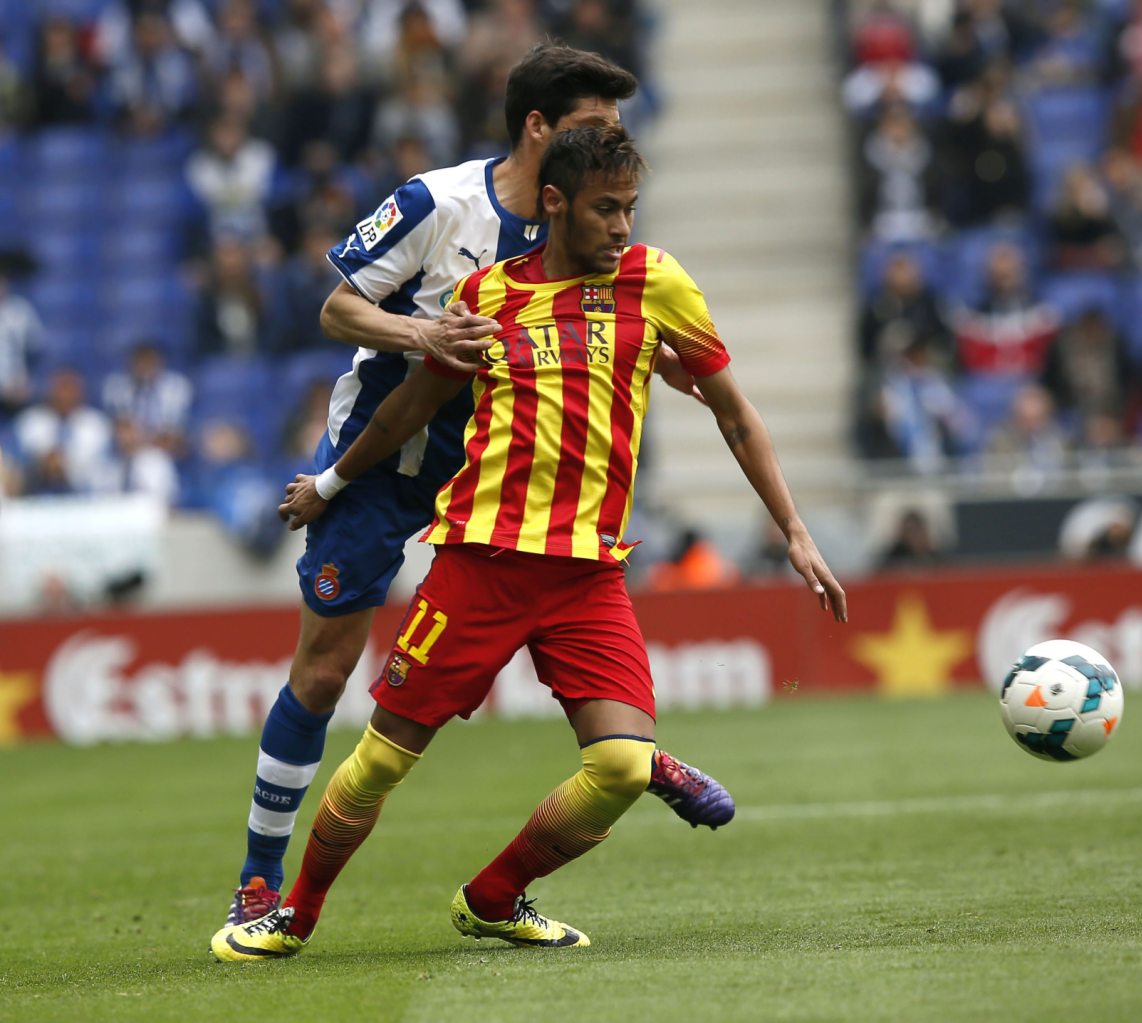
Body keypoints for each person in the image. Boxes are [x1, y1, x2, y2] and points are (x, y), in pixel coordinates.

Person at [210, 123, 848, 959]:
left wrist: (794, 531)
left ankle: (495, 896)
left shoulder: (657, 284)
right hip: (481, 563)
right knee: (379, 762)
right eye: (605, 209)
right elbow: (409, 408)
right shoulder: (485, 296)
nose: (623, 227)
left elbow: (733, 412)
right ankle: (292, 914)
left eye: (630, 208)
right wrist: (331, 482)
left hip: (589, 576)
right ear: (554, 203)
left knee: (620, 767)